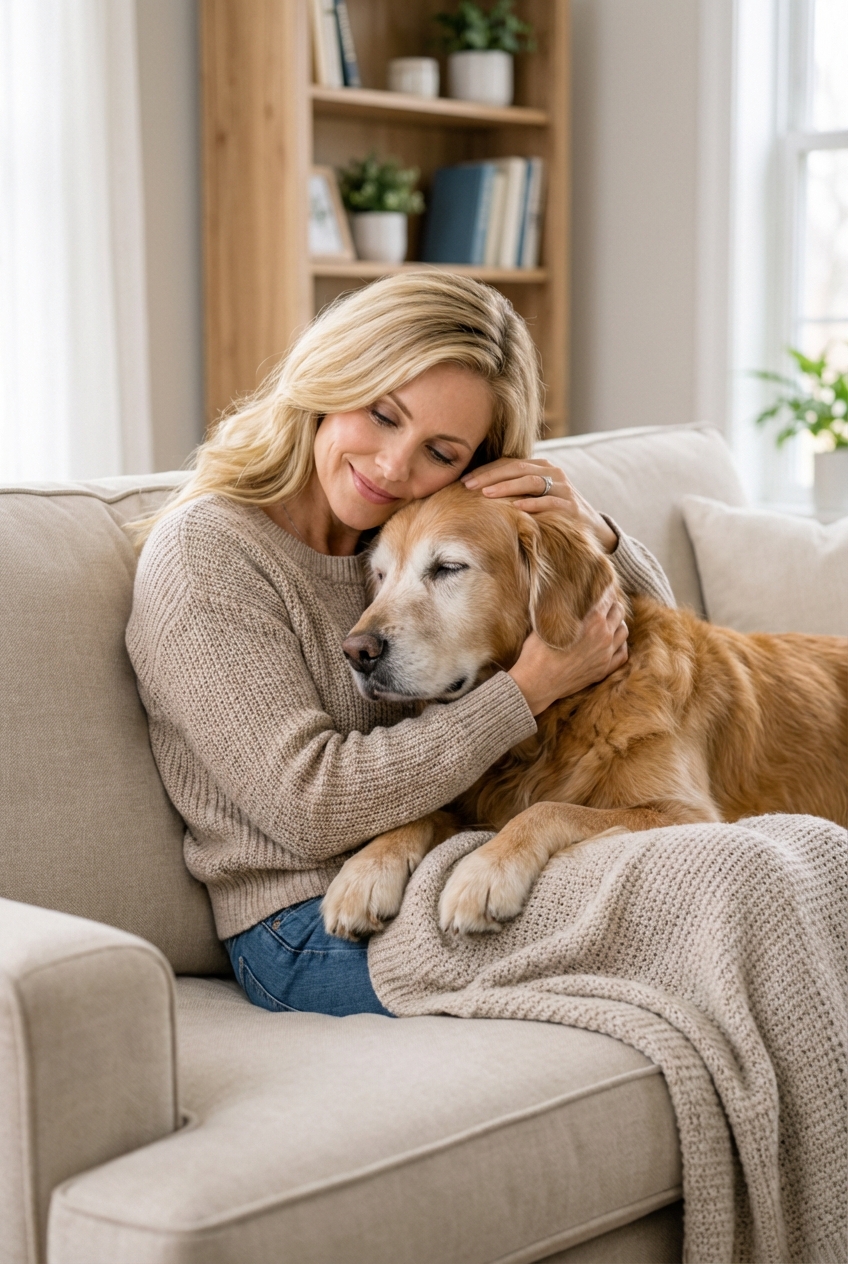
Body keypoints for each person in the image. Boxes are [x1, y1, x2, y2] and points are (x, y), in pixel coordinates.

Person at [127, 273, 674, 1018]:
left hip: (450, 853)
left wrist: (585, 529)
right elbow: (309, 806)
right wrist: (526, 692)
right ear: (331, 377)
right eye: (382, 415)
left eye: (439, 451)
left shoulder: (414, 530)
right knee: (704, 903)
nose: (393, 467)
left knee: (757, 866)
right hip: (302, 926)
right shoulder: (208, 555)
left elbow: (650, 654)